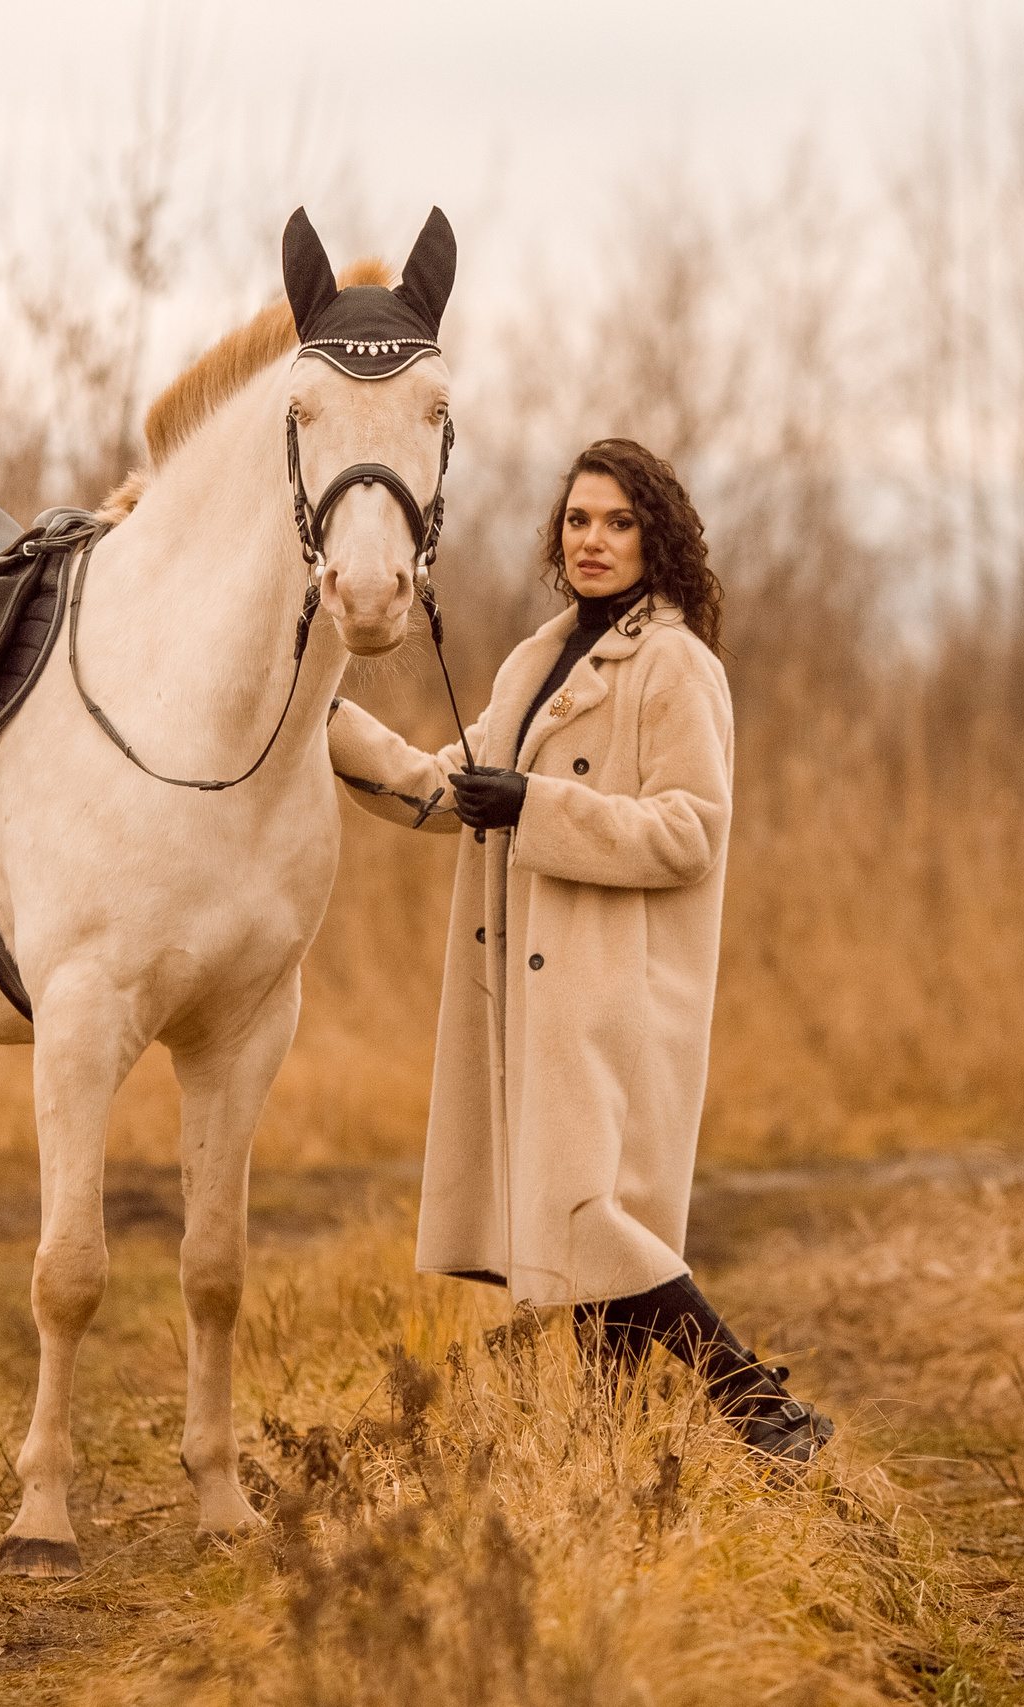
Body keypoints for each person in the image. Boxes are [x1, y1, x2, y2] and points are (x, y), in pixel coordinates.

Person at [328, 437, 834, 1464]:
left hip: (615, 994)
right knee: (587, 1242)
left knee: (586, 1213)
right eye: (577, 520)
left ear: (657, 537)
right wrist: (318, 717)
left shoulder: (676, 665)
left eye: (617, 522)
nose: (593, 541)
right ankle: (608, 1474)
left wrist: (538, 805)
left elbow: (691, 829)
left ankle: (756, 1407)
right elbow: (446, 788)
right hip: (532, 987)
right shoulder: (534, 656)